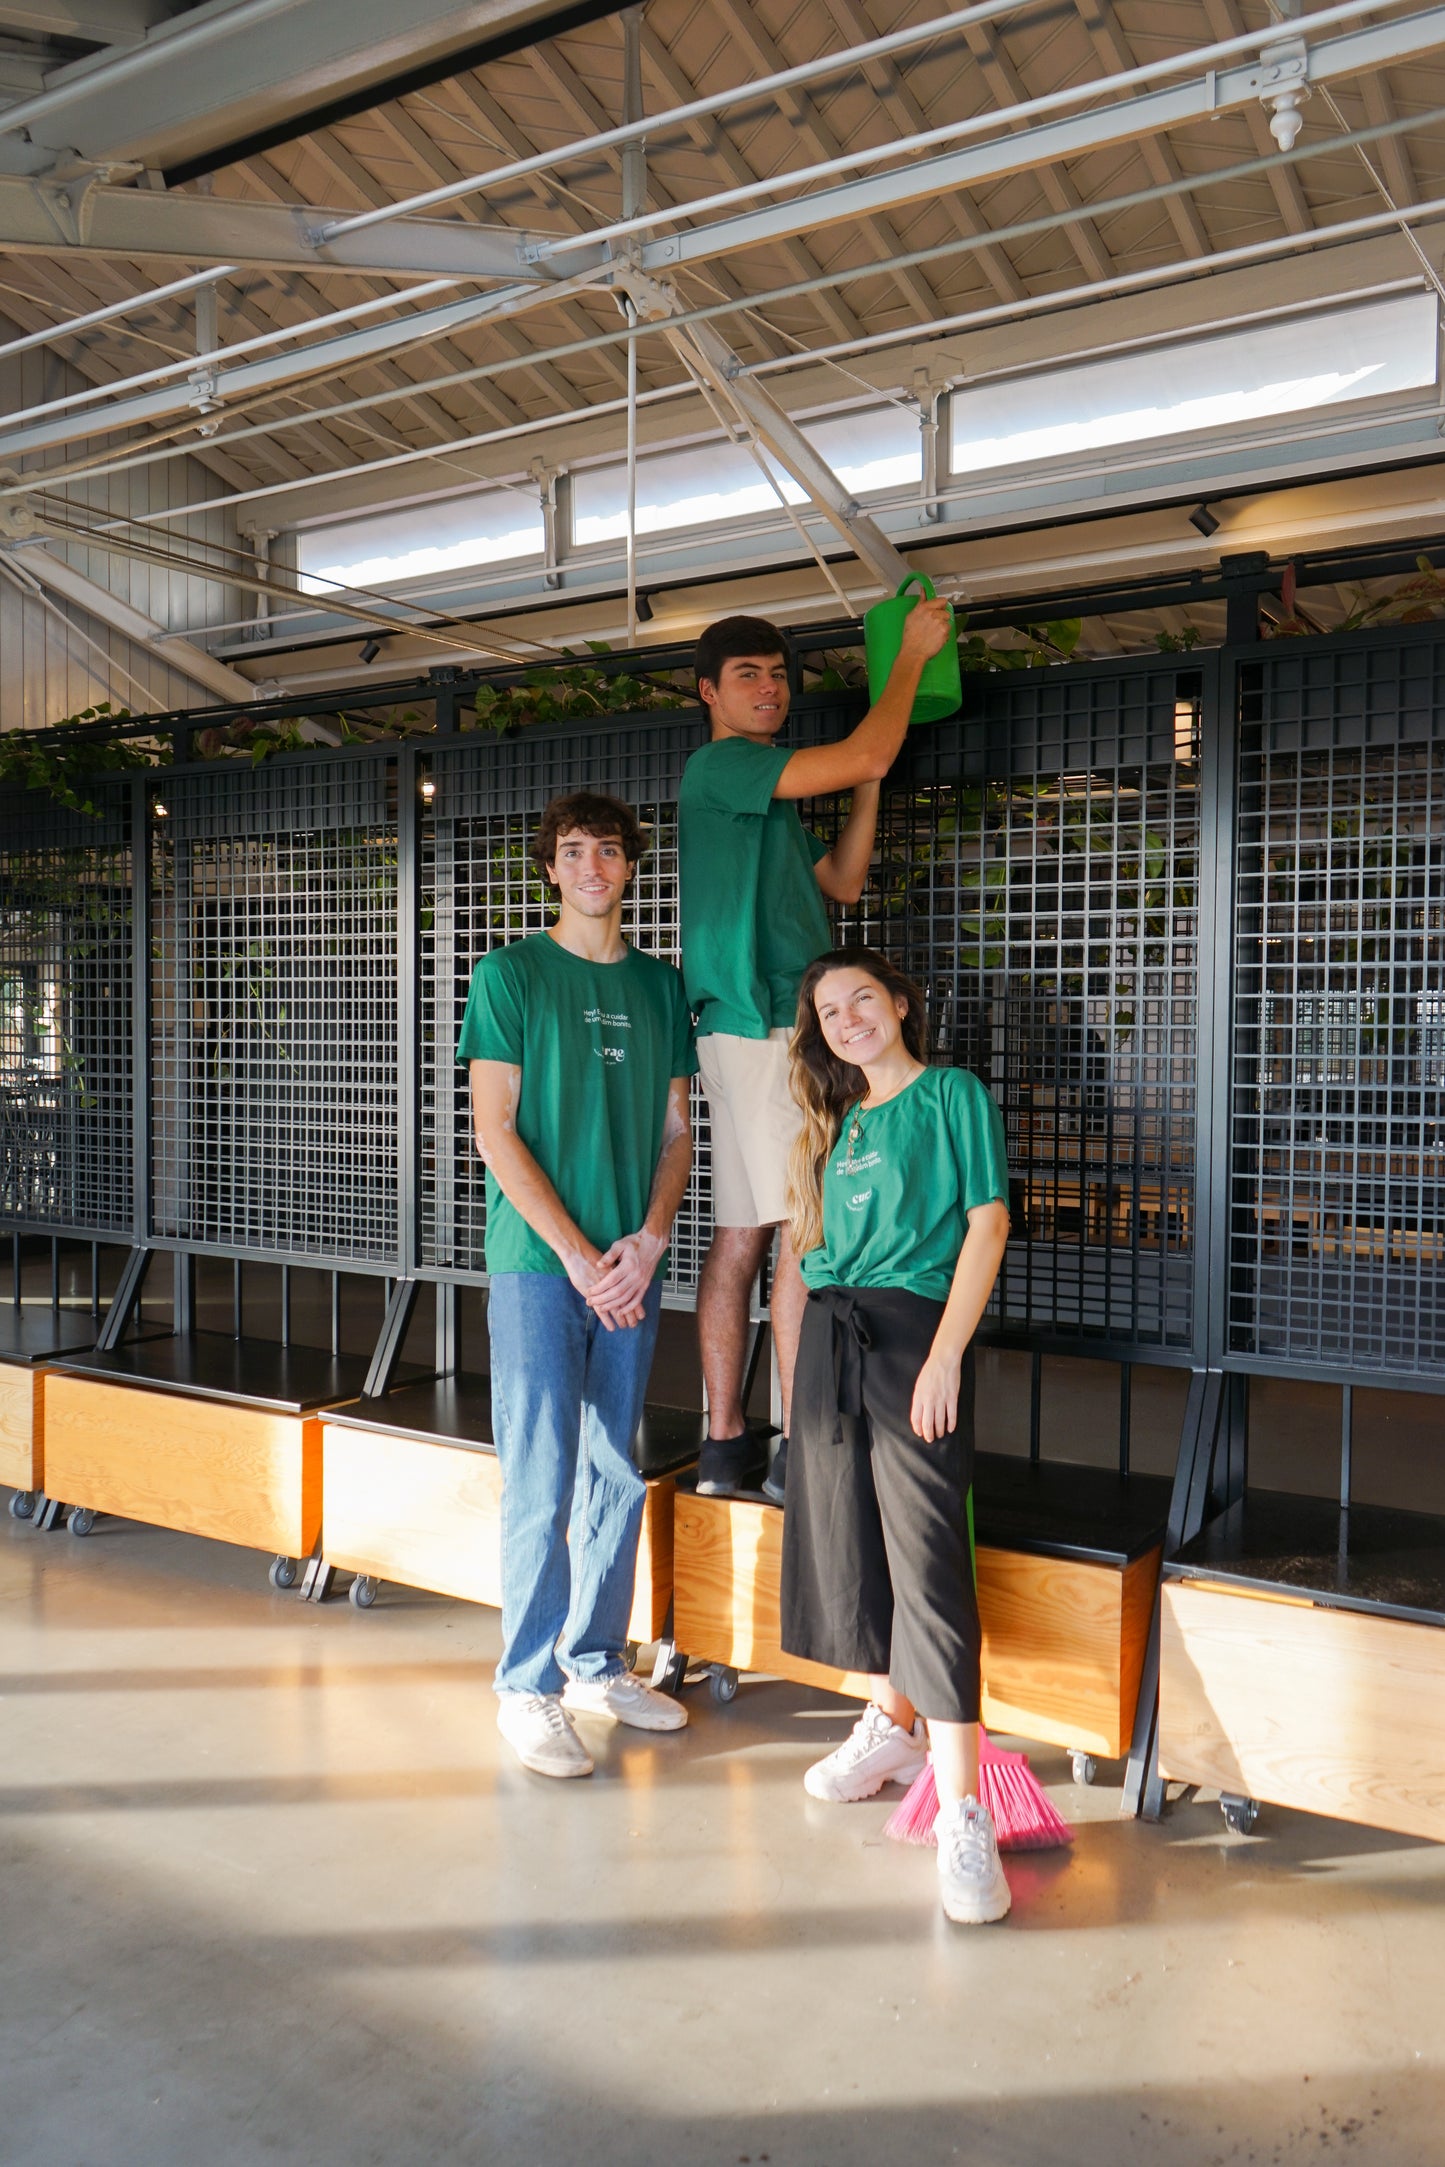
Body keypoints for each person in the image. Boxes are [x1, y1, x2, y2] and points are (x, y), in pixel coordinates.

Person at [679, 603, 954, 1499]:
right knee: (800, 1228)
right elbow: (866, 750)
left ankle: (727, 1446)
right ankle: (795, 1450)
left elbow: (842, 881)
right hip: (760, 1023)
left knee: (749, 1233)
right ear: (708, 692)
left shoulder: (761, 794)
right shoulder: (725, 766)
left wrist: (869, 783)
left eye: (777, 674)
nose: (769, 689)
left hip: (761, 1028)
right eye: (748, 675)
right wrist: (906, 661)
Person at [458, 790, 696, 1780]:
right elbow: (493, 1127)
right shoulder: (510, 973)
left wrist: (646, 1238)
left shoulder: (661, 987)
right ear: (548, 869)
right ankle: (527, 1685)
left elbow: (679, 1132)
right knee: (543, 1469)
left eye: (608, 849)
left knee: (611, 1464)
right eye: (571, 850)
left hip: (628, 1263)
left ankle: (595, 1660)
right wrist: (574, 1254)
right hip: (538, 1265)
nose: (591, 864)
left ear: (630, 865)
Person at [779, 945, 1014, 1925]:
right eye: (829, 1011)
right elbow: (810, 1255)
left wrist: (945, 1355)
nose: (847, 1019)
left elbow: (987, 1223)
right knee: (846, 1546)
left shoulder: (949, 1093)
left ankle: (963, 1814)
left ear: (900, 1003)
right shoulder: (834, 1127)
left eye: (861, 999)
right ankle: (888, 1721)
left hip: (915, 1337)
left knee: (924, 1563)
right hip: (833, 1343)